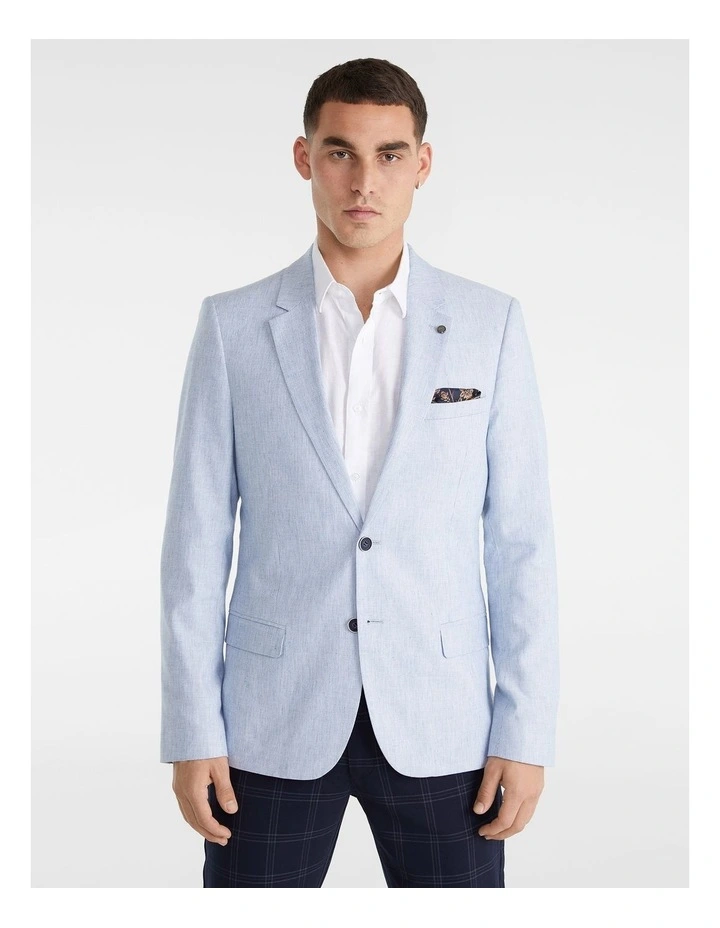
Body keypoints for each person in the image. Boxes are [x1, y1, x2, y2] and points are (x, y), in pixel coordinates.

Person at [160, 57, 560, 889]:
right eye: (340, 152)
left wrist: (525, 731)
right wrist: (192, 728)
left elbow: (521, 543)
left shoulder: (488, 325)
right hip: (271, 719)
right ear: (304, 157)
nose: (364, 181)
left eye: (389, 154)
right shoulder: (234, 327)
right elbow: (194, 547)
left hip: (442, 718)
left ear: (423, 163)